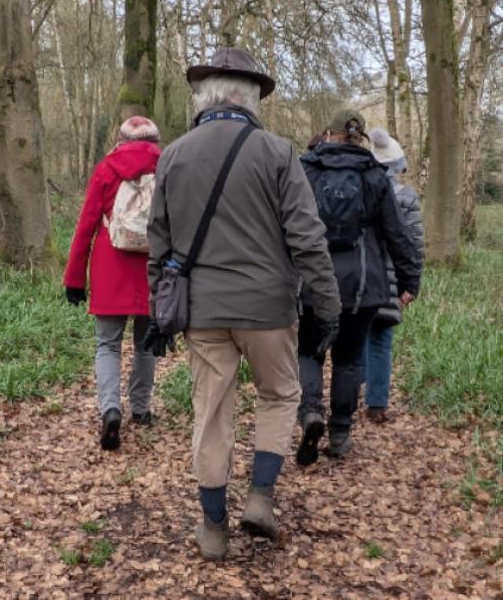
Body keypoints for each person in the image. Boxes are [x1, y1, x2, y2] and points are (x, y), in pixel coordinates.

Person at [144, 47, 341, 560]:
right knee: (279, 395)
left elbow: (159, 245)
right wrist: (327, 304)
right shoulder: (278, 152)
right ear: (251, 98)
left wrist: (156, 310)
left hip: (203, 311)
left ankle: (212, 528)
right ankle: (259, 498)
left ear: (204, 97)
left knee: (211, 412)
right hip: (269, 308)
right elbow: (308, 238)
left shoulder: (173, 155)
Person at [296, 111, 421, 464]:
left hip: (313, 281)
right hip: (363, 286)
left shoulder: (306, 171)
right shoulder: (375, 175)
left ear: (328, 133)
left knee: (309, 351)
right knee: (348, 359)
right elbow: (397, 232)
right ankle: (339, 433)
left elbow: (285, 225)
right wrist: (410, 279)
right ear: (359, 137)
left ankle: (310, 413)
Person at [63, 117, 161, 452]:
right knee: (147, 344)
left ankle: (110, 409)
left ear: (120, 139)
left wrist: (74, 278)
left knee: (107, 345)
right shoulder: (167, 169)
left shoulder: (106, 169)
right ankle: (142, 409)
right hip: (153, 270)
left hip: (110, 268)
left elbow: (87, 224)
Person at [363, 128, 424, 423]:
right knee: (381, 339)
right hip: (391, 279)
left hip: (360, 277)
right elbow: (414, 243)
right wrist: (411, 283)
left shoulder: (359, 189)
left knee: (357, 334)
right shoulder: (406, 197)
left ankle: (352, 390)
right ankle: (376, 404)